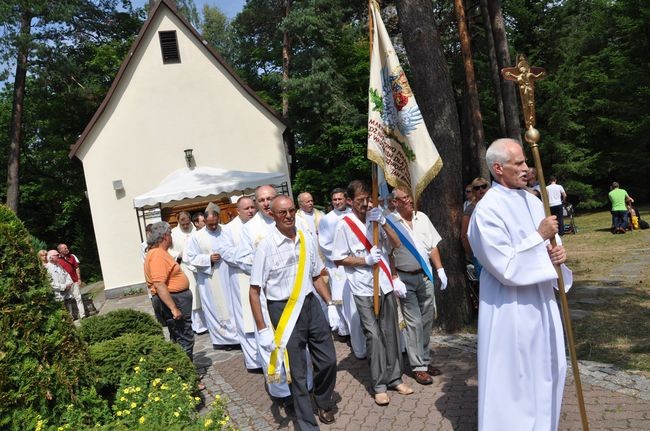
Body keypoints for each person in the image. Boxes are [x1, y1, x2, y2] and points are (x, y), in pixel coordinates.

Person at [468, 138, 572, 430]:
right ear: (498, 168)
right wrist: (538, 237)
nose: (527, 169)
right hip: (509, 309)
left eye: (526, 162)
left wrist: (558, 256)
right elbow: (505, 266)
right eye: (519, 164)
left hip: (542, 304)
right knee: (514, 380)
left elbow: (548, 246)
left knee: (549, 368)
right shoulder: (486, 210)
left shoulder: (532, 200)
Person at [250, 195, 337, 429]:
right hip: (284, 310)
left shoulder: (306, 237)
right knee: (297, 373)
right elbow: (254, 291)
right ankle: (307, 424)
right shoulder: (265, 246)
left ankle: (322, 400)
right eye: (282, 213)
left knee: (328, 359)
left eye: (291, 211)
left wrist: (330, 303)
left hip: (310, 304)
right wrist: (262, 329)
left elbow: (317, 274)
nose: (288, 216)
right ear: (273, 215)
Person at [332, 180, 413, 406]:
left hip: (384, 283)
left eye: (368, 199)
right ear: (349, 201)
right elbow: (338, 257)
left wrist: (384, 222)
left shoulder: (377, 217)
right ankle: (379, 384)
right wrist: (364, 260)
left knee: (391, 332)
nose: (365, 204)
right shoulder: (344, 225)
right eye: (360, 201)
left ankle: (395, 378)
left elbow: (396, 245)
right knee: (374, 336)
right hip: (362, 287)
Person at [235, 185, 292, 402]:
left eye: (270, 198)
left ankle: (303, 382)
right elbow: (242, 259)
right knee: (271, 342)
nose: (266, 203)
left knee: (294, 339)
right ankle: (281, 391)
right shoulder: (250, 229)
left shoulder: (286, 221)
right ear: (257, 203)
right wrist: (265, 265)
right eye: (262, 200)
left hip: (290, 293)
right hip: (266, 294)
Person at [387, 186, 447, 385]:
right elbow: (387, 254)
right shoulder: (390, 222)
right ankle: (418, 367)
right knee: (413, 323)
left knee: (427, 319)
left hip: (425, 276)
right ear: (395, 202)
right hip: (405, 278)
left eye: (409, 197)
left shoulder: (422, 217)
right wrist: (394, 277)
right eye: (404, 199)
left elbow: (432, 247)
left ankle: (424, 359)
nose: (409, 201)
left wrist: (440, 270)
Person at [318, 188, 366, 359]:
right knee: (344, 301)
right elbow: (324, 243)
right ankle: (346, 332)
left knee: (358, 300)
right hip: (338, 264)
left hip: (359, 264)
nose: (337, 202)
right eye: (334, 199)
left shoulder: (355, 214)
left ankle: (361, 336)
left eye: (340, 199)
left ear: (346, 199)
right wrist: (343, 255)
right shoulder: (327, 219)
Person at [185, 203, 240, 350]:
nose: (214, 227)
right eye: (210, 224)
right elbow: (190, 258)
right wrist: (208, 259)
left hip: (229, 275)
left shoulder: (227, 231)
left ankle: (238, 336)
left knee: (233, 305)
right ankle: (222, 340)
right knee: (217, 307)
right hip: (210, 277)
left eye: (216, 223)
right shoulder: (196, 237)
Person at [221, 196, 262, 370]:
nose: (251, 211)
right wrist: (247, 258)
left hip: (261, 277)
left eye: (253, 207)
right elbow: (225, 251)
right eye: (246, 208)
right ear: (238, 211)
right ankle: (253, 361)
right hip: (240, 277)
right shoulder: (229, 229)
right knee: (246, 319)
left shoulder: (261, 224)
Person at [143, 221, 194, 360]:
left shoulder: (158, 253)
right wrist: (173, 308)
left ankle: (183, 371)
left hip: (176, 298)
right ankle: (187, 374)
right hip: (175, 299)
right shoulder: (157, 255)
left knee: (178, 337)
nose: (172, 237)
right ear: (165, 236)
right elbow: (159, 284)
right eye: (170, 234)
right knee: (184, 337)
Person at [170, 212, 207, 334]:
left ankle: (207, 322)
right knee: (192, 295)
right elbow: (169, 250)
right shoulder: (174, 233)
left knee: (202, 294)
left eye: (187, 223)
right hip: (184, 267)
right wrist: (178, 255)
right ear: (178, 221)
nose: (186, 226)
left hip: (199, 266)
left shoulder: (196, 230)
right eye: (183, 224)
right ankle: (196, 325)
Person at [460, 177, 490, 278]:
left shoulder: (493, 204)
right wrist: (473, 255)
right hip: (480, 256)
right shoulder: (470, 210)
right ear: (473, 191)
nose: (481, 189)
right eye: (477, 188)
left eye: (484, 186)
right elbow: (464, 236)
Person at [54, 245, 86, 320]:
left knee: (78, 297)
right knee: (68, 300)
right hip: (65, 284)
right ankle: (71, 317)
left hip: (74, 281)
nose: (67, 249)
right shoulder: (57, 260)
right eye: (65, 248)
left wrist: (79, 278)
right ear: (60, 250)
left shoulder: (72, 256)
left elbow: (77, 267)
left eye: (67, 248)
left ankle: (82, 315)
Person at [45, 250, 77, 318]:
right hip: (58, 295)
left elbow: (67, 275)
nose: (59, 256)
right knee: (62, 315)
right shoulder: (47, 268)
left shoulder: (59, 265)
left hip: (66, 293)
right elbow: (50, 283)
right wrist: (64, 286)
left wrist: (68, 284)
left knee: (70, 313)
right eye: (57, 255)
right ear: (51, 257)